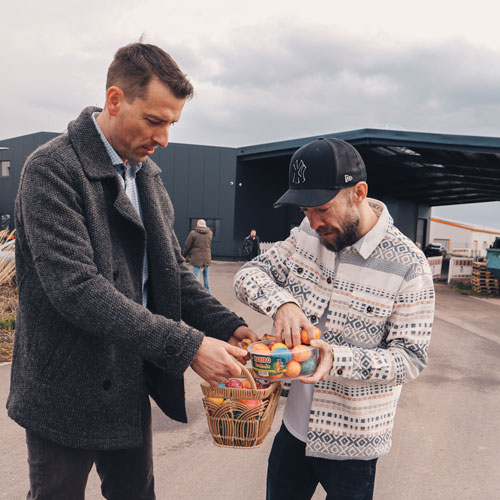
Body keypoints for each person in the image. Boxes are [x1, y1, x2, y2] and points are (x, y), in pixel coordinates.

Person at [7, 42, 257, 500]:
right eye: (154, 120)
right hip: (62, 387)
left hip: (126, 379)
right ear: (115, 99)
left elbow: (172, 274)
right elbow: (76, 289)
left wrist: (230, 326)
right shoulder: (52, 169)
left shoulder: (147, 176)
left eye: (172, 124)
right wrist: (189, 346)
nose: (164, 138)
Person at [234, 137, 435, 500]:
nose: (313, 221)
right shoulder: (308, 236)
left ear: (358, 192)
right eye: (305, 211)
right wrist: (283, 304)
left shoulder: (409, 264)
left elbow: (410, 359)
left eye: (321, 209)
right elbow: (247, 275)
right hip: (294, 430)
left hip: (354, 443)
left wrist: (335, 359)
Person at [182, 219, 212, 293]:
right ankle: (207, 291)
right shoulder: (210, 233)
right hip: (207, 257)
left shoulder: (193, 233)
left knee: (196, 276)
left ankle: (197, 291)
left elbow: (187, 245)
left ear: (198, 225)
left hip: (196, 258)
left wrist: (184, 255)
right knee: (206, 275)